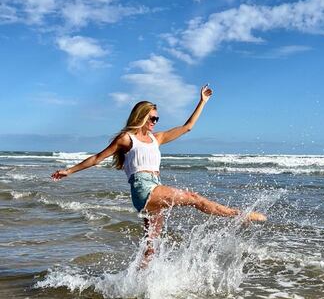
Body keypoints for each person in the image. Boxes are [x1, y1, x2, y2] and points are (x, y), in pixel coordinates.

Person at [52, 85, 266, 266]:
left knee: (151, 248)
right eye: (152, 117)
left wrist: (203, 101)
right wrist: (69, 171)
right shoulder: (126, 139)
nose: (155, 121)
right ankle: (239, 215)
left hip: (153, 188)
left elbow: (188, 127)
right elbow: (97, 158)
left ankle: (138, 285)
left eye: (157, 118)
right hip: (144, 188)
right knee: (194, 198)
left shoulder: (157, 138)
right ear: (141, 116)